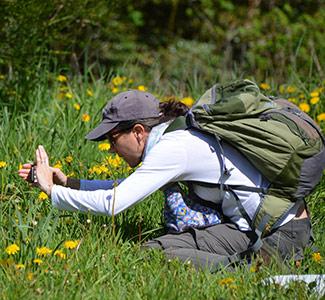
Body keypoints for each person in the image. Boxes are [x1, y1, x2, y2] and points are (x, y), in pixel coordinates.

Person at [18, 90, 311, 272]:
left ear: (137, 132)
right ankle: (258, 261)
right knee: (163, 243)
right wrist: (69, 182)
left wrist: (50, 189)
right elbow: (129, 186)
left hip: (279, 234)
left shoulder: (174, 149)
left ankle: (254, 270)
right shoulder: (175, 135)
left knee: (157, 251)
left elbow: (114, 204)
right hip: (276, 224)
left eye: (112, 139)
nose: (110, 148)